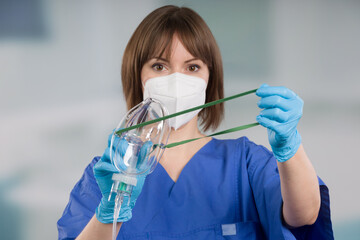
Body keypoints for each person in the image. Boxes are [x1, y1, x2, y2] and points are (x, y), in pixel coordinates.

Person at [57, 5, 333, 240]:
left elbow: (304, 215)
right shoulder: (107, 173)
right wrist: (111, 208)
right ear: (138, 75)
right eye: (159, 66)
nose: (177, 79)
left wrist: (290, 147)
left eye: (192, 67)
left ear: (209, 78)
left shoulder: (245, 162)